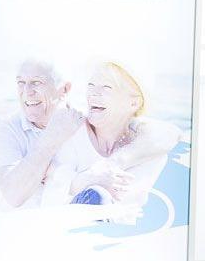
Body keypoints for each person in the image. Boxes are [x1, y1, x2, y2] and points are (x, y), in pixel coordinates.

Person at [45, 62, 181, 219]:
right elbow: (51, 197)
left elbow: (171, 133)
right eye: (91, 85)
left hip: (116, 233)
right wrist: (91, 178)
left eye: (106, 88)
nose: (93, 94)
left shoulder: (147, 145)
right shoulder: (73, 131)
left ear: (133, 103)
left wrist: (111, 164)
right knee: (98, 196)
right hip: (65, 224)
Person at [0, 59, 83, 208]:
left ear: (65, 89)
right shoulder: (7, 130)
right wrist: (51, 138)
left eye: (37, 82)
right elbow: (13, 195)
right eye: (21, 82)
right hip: (20, 224)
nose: (27, 92)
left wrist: (49, 172)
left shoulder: (83, 124)